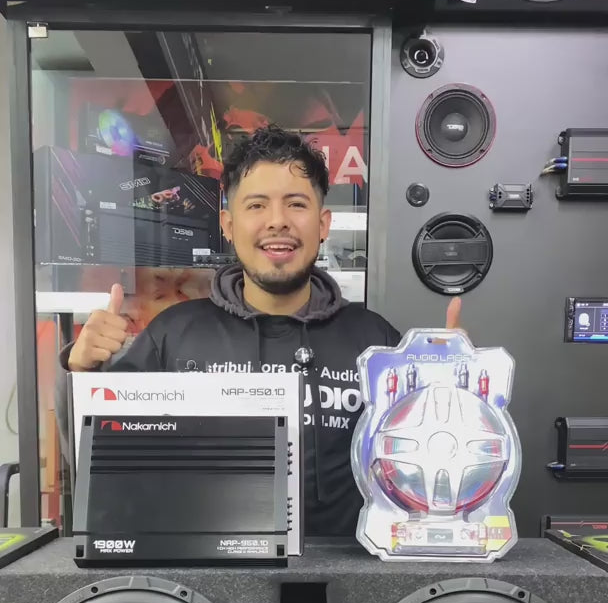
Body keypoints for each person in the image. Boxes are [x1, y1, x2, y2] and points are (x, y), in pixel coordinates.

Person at [56, 125, 461, 537]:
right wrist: (81, 372)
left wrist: (454, 393)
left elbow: (428, 473)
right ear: (228, 225)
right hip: (203, 572)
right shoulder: (172, 335)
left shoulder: (377, 343)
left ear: (323, 224)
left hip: (349, 571)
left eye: (296, 204)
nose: (277, 221)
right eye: (257, 205)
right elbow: (104, 470)